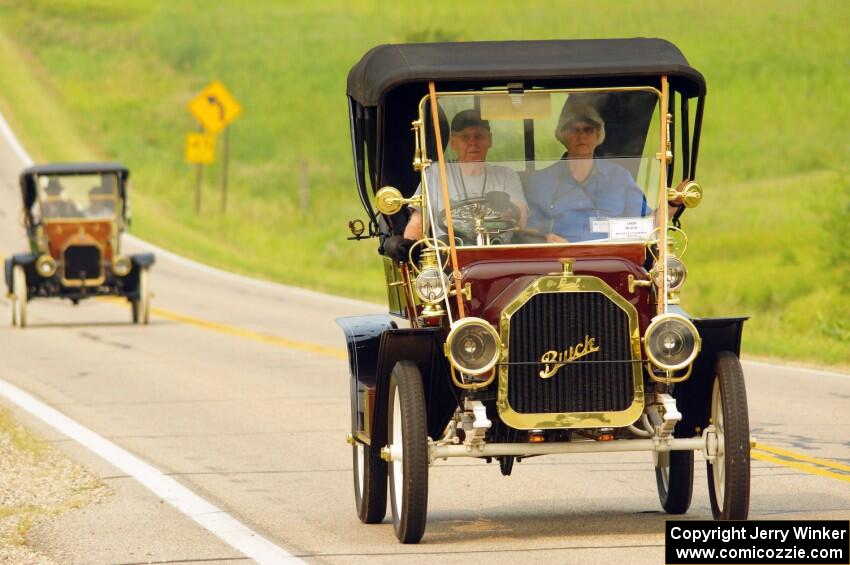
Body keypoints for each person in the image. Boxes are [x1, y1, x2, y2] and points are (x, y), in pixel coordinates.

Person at [385, 109, 528, 261]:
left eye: (479, 136)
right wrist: (409, 245)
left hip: (499, 254)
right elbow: (418, 221)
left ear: (489, 140)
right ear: (453, 142)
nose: (473, 142)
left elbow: (521, 216)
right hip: (450, 258)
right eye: (465, 137)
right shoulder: (435, 174)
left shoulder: (506, 175)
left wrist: (507, 209)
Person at [526, 104, 647, 243]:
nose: (581, 135)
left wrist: (672, 205)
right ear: (562, 135)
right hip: (558, 257)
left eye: (588, 130)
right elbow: (530, 232)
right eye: (573, 129)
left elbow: (643, 222)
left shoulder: (620, 177)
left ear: (598, 134)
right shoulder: (540, 181)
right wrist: (544, 239)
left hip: (610, 258)